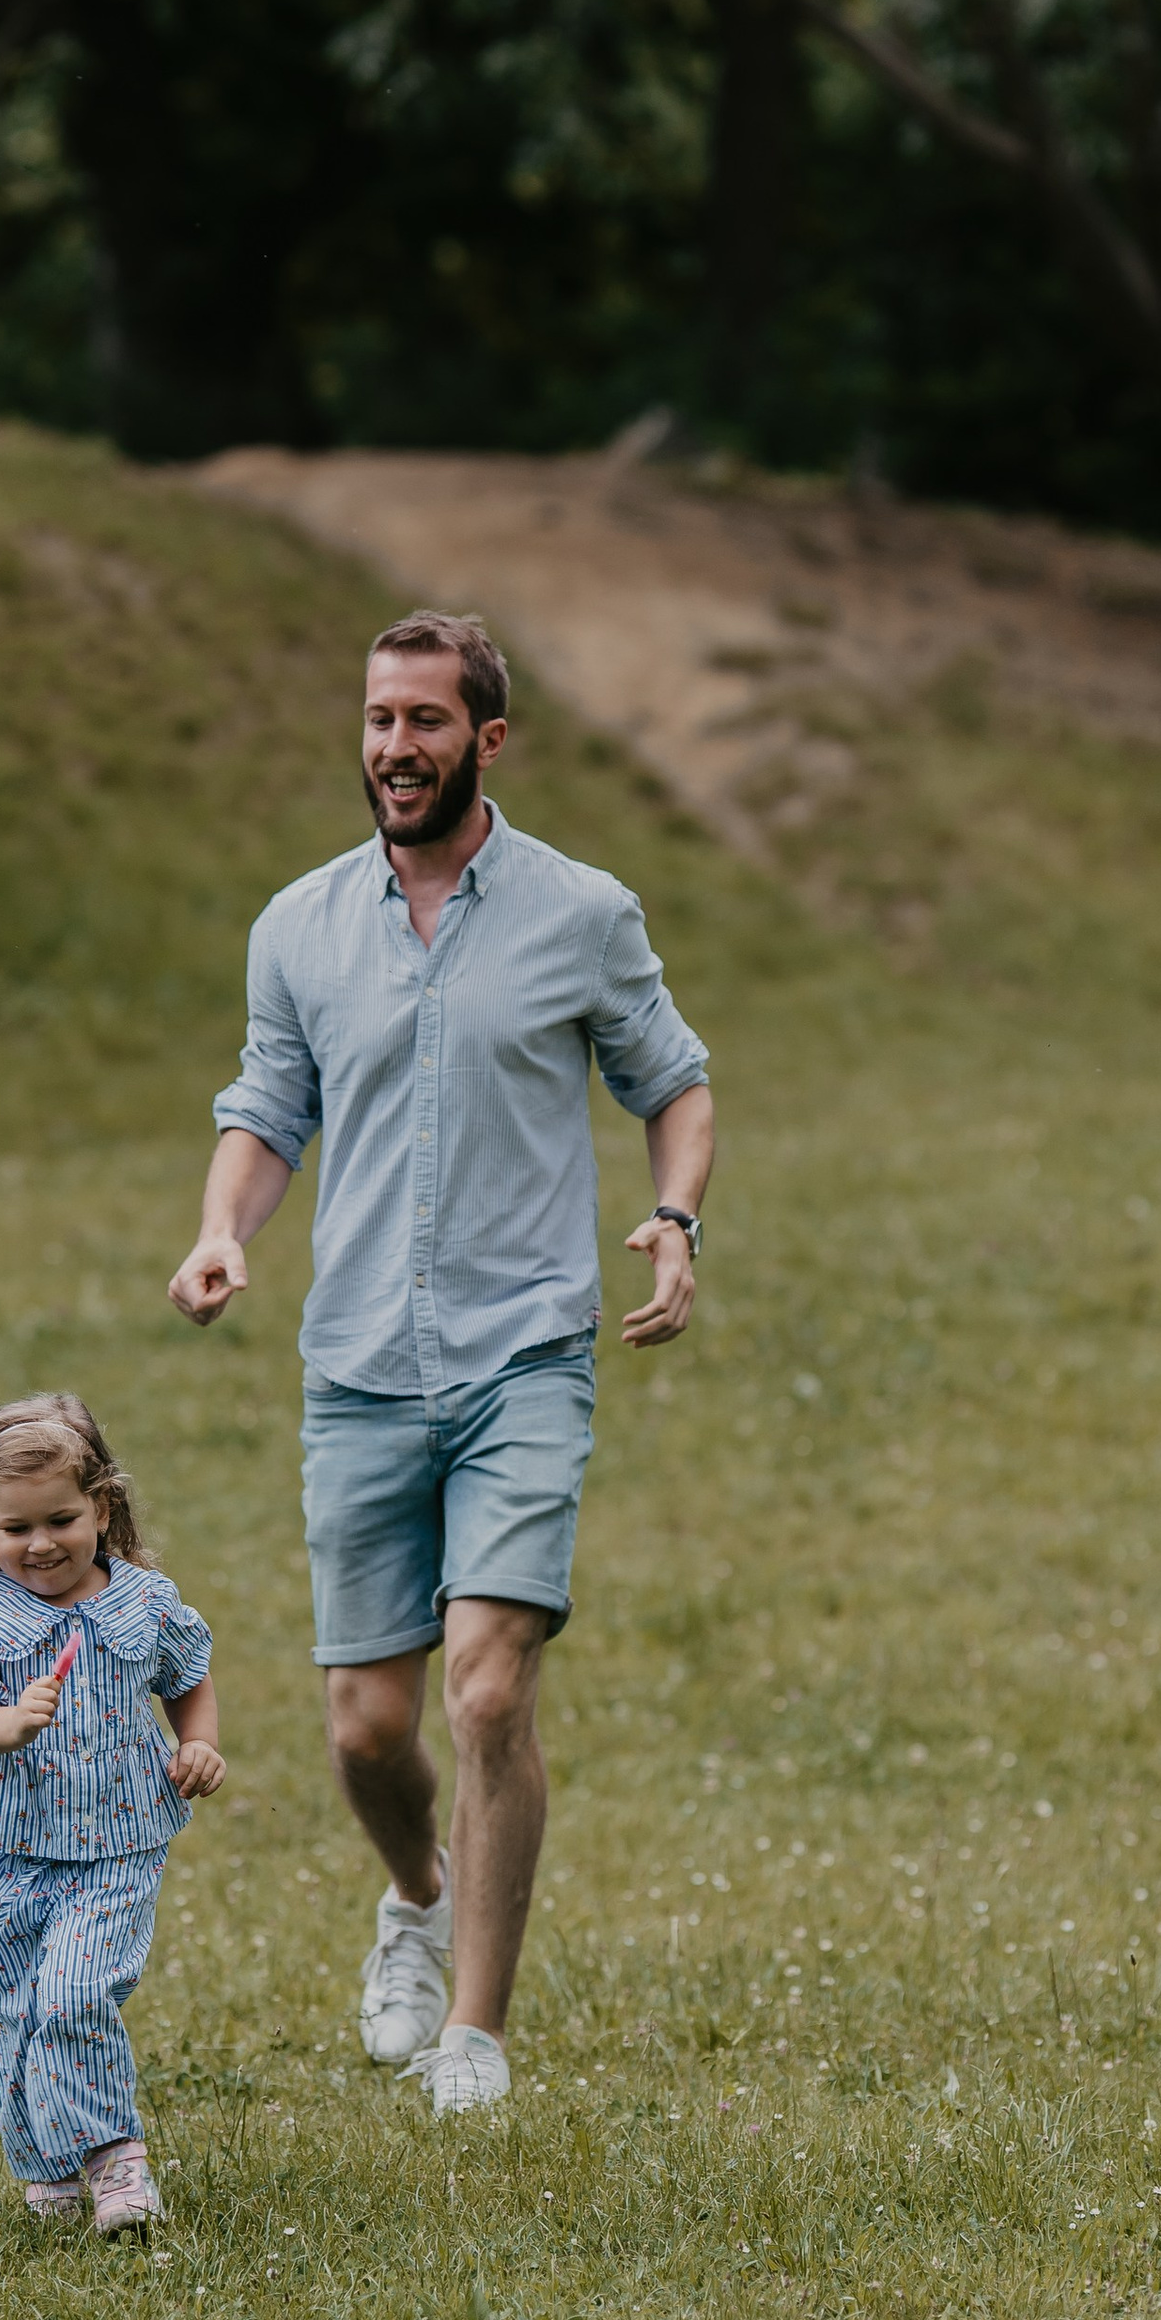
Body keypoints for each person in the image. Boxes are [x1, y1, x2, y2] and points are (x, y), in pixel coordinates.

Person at [167, 607, 713, 2116]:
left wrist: (674, 1217)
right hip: (357, 1364)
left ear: (489, 737)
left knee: (485, 1695)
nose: (393, 748)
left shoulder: (580, 913)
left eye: (423, 721)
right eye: (376, 720)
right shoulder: (301, 926)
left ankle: (475, 2031)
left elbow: (675, 1083)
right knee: (367, 1731)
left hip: (524, 1351)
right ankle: (416, 1893)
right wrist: (226, 1229)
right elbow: (269, 1107)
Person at [0, 1391, 224, 2234]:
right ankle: (49, 2171)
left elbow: (187, 1676)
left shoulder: (144, 1602)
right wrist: (4, 1724)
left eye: (62, 1519)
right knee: (7, 2003)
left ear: (102, 1507)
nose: (41, 1544)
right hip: (13, 1848)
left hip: (119, 1841)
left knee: (74, 1993)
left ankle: (116, 2162)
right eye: (18, 1530)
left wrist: (197, 1743)